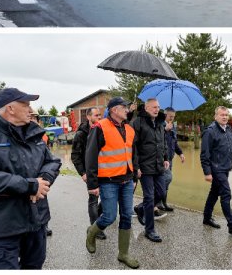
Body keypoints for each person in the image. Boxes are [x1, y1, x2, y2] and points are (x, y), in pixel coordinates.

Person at [0, 88, 61, 269]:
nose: (30, 109)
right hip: (3, 227)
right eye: (25, 104)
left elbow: (53, 162)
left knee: (34, 266)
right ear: (10, 108)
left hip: (36, 221)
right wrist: (30, 186)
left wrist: (42, 180)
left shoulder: (34, 134)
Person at [85, 97, 140, 269]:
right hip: (108, 181)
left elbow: (133, 154)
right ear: (114, 110)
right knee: (109, 216)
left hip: (126, 180)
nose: (127, 110)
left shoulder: (130, 130)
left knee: (126, 216)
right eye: (124, 108)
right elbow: (90, 156)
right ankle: (92, 232)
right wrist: (92, 184)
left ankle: (123, 254)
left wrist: (135, 177)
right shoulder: (99, 127)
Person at [201, 106, 232, 237]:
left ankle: (206, 218)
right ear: (215, 116)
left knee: (214, 193)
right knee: (226, 194)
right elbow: (204, 154)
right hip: (216, 169)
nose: (224, 117)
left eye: (226, 115)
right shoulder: (210, 132)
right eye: (222, 115)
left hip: (225, 167)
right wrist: (207, 172)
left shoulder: (229, 130)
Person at [131, 98, 169, 242]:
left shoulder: (160, 122)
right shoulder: (138, 122)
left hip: (158, 164)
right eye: (153, 107)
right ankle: (149, 230)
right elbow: (133, 147)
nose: (157, 109)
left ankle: (141, 208)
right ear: (146, 108)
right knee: (149, 196)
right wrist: (137, 167)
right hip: (144, 166)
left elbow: (163, 142)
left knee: (161, 192)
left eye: (158, 107)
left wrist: (165, 158)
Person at [71, 107, 106, 240]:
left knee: (107, 198)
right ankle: (94, 228)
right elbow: (75, 156)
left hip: (104, 170)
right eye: (96, 115)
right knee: (93, 199)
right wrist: (83, 173)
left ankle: (98, 217)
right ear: (88, 117)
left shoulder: (101, 129)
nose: (99, 117)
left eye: (100, 115)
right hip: (90, 172)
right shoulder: (81, 134)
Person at [157, 107, 185, 212]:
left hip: (170, 158)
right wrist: (165, 130)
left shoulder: (173, 127)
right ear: (165, 115)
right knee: (167, 178)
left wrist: (181, 153)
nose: (171, 119)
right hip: (162, 159)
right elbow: (157, 139)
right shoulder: (159, 125)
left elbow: (174, 142)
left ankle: (163, 203)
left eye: (173, 117)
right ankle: (157, 202)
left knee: (167, 182)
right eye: (170, 116)